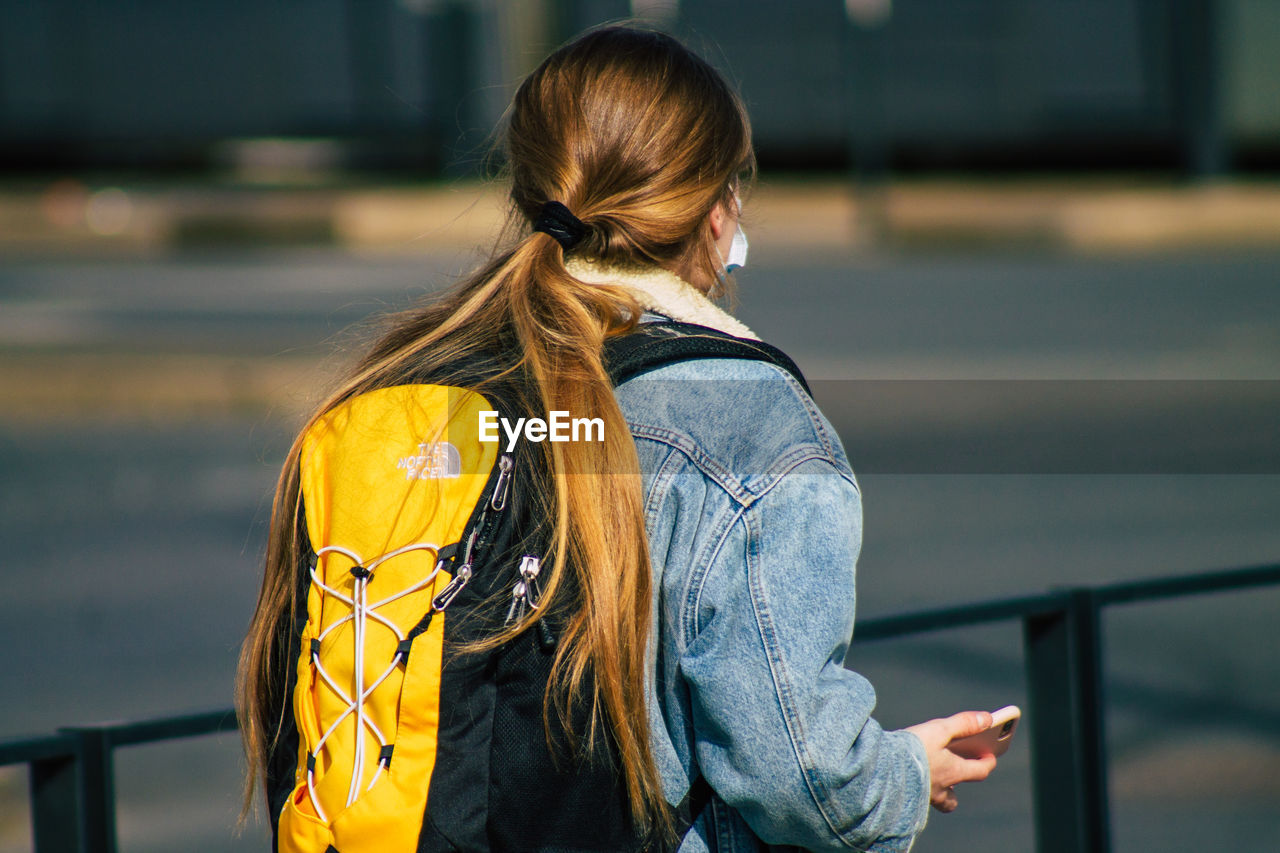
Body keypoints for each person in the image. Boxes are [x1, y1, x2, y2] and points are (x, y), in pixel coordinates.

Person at [238, 24, 998, 852]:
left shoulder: (397, 383)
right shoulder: (749, 415)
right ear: (716, 212)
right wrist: (904, 775)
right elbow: (800, 775)